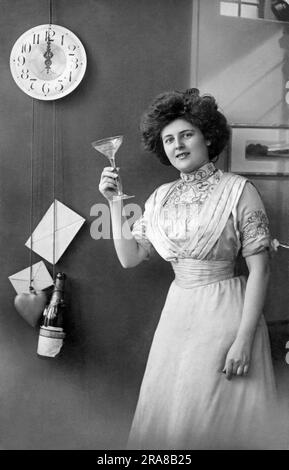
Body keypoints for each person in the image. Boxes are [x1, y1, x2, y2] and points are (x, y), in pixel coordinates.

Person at [99, 88, 287, 450]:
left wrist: (244, 341)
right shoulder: (160, 197)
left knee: (212, 422)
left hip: (226, 315)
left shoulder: (239, 190)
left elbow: (260, 272)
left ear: (207, 136)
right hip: (177, 316)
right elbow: (130, 258)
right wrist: (112, 203)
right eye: (169, 139)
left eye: (187, 134)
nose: (178, 145)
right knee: (174, 422)